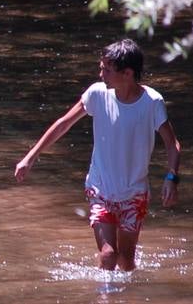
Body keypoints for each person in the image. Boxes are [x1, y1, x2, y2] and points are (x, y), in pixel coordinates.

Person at [14, 38, 181, 272]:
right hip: (100, 189)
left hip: (134, 194)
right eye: (101, 67)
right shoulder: (97, 94)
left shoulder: (152, 103)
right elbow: (63, 124)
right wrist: (30, 157)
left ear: (127, 73)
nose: (101, 73)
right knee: (108, 255)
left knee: (126, 260)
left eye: (107, 70)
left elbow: (172, 144)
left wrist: (172, 178)